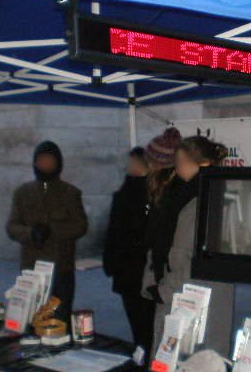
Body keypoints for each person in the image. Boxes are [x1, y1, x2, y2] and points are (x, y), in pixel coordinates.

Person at [143, 135, 234, 359]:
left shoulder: (213, 198)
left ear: (195, 162)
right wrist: (153, 280)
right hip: (173, 290)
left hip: (197, 296)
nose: (177, 165)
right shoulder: (180, 193)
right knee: (170, 356)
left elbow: (201, 259)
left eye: (180, 160)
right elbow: (160, 240)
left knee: (195, 358)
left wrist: (165, 289)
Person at [6, 141, 88, 324]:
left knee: (59, 319)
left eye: (50, 160)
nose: (46, 164)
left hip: (61, 267)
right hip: (31, 268)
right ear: (35, 163)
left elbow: (80, 225)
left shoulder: (70, 193)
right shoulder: (22, 193)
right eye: (42, 160)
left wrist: (53, 230)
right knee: (30, 317)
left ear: (58, 163)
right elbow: (11, 226)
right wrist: (30, 232)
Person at [103, 147, 155, 362]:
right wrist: (110, 260)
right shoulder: (124, 192)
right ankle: (141, 354)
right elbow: (113, 230)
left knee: (147, 319)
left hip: (144, 265)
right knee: (136, 319)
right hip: (126, 266)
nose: (129, 166)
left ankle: (147, 355)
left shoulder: (153, 192)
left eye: (132, 162)